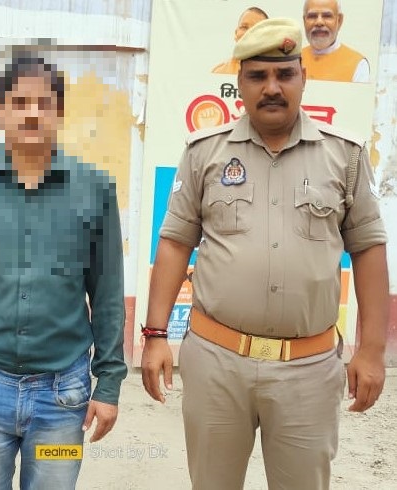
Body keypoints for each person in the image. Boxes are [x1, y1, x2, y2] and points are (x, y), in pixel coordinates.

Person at [142, 18, 387, 490]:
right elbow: (174, 242)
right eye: (258, 76)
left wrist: (373, 351)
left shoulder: (345, 156)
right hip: (216, 363)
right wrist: (154, 335)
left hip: (308, 370)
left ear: (303, 77)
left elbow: (369, 250)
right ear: (240, 83)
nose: (272, 88)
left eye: (284, 74)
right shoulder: (204, 153)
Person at [0, 52, 127, 489]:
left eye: (43, 103)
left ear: (60, 112)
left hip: (65, 399)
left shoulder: (95, 189)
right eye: (19, 102)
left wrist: (108, 384)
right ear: (0, 111)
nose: (32, 113)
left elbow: (107, 293)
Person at [301, 0, 369, 82]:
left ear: (339, 21)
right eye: (312, 16)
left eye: (327, 16)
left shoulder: (358, 64)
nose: (319, 22)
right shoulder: (293, 59)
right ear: (304, 21)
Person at [212, 7, 268, 75]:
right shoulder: (219, 72)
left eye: (256, 29)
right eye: (244, 27)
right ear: (236, 33)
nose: (248, 33)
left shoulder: (276, 71)